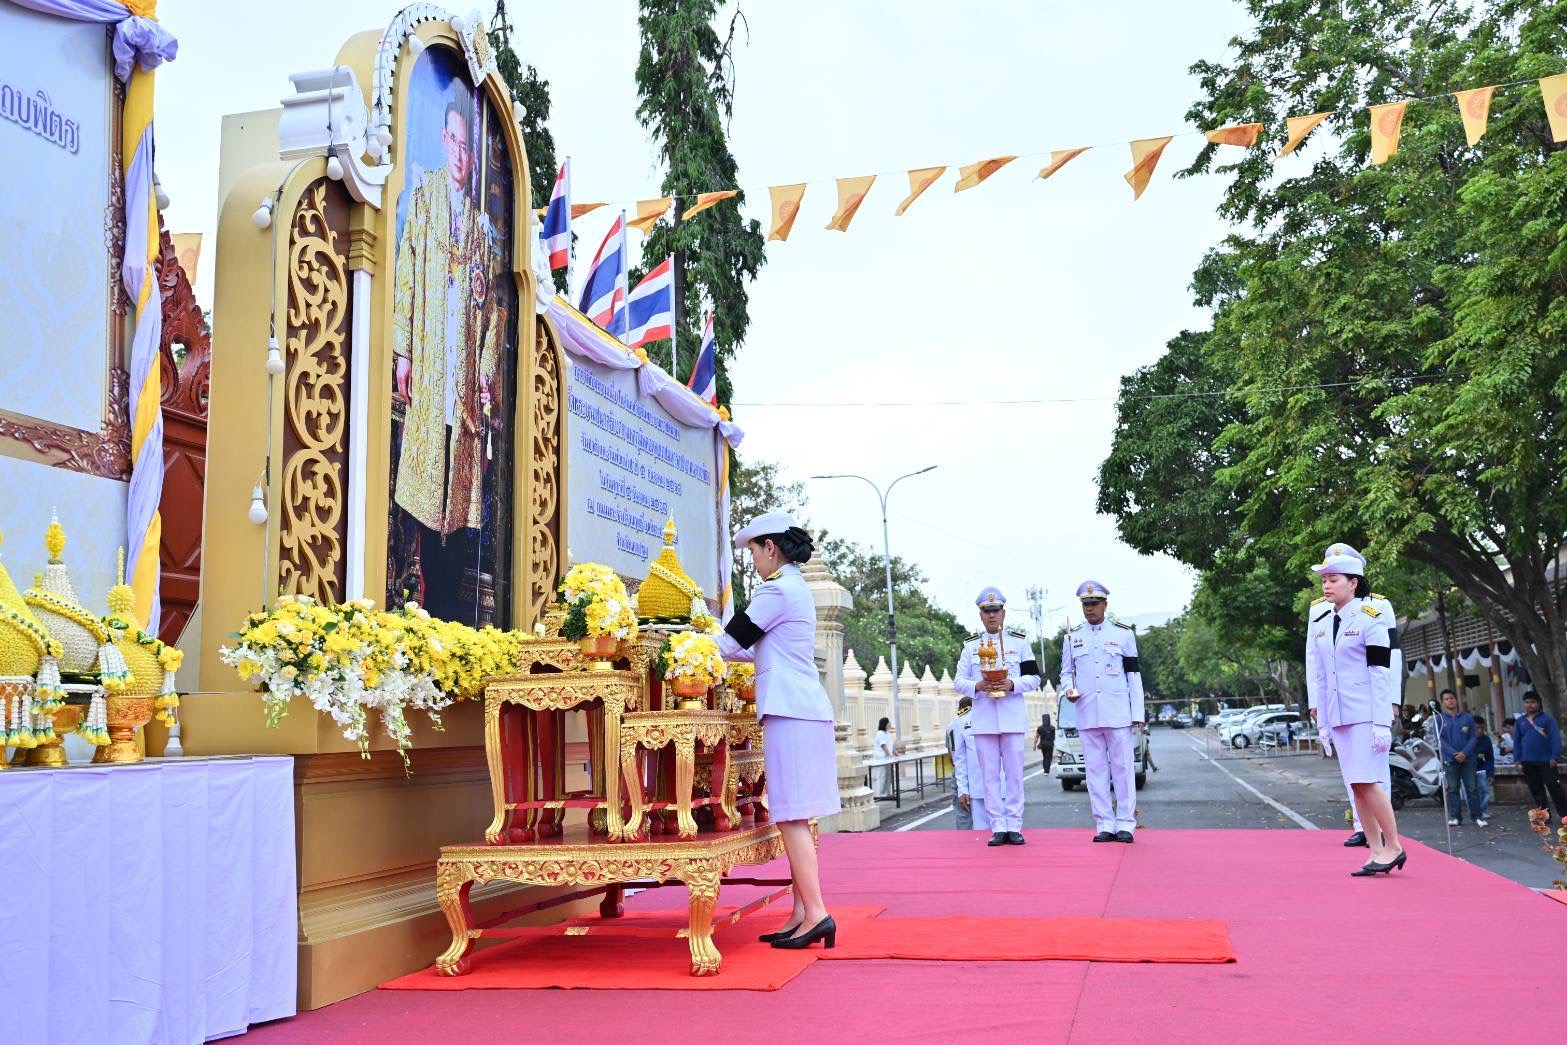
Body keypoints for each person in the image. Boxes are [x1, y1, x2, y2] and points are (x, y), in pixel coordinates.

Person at [392, 93, 506, 620]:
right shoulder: (424, 202)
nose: (460, 155)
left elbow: (492, 314)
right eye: (454, 142)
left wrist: (485, 375)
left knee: (459, 507)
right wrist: (403, 353)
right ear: (443, 140)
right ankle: (411, 603)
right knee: (420, 497)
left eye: (467, 148)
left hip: (463, 395)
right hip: (428, 374)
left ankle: (446, 615)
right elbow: (406, 279)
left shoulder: (482, 230)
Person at [716, 512, 839, 950]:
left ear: (770, 548)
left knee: (790, 815)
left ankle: (817, 913)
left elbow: (730, 643)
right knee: (796, 814)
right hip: (802, 710)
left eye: (754, 551)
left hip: (791, 713)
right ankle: (803, 912)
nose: (753, 561)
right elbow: (759, 651)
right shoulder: (794, 588)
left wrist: (688, 639)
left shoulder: (776, 590)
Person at [1307, 550, 1405, 875]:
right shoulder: (1322, 623)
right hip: (1338, 716)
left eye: (1333, 579)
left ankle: (1394, 846)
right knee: (1356, 785)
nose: (1326, 585)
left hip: (1365, 713)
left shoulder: (1370, 618)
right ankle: (1376, 849)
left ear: (1353, 583)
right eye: (1324, 580)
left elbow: (1380, 672)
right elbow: (1322, 677)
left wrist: (1382, 721)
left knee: (1368, 781)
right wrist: (1323, 724)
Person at [953, 587, 1041, 847]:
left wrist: (1012, 684)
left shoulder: (1019, 642)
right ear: (980, 615)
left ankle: (1014, 825)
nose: (991, 615)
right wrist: (977, 686)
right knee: (989, 777)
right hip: (984, 718)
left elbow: (1034, 678)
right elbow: (958, 681)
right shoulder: (971, 646)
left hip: (1012, 717)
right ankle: (998, 826)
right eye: (986, 611)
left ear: (1003, 612)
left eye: (995, 610)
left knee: (1014, 776)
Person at [1059, 580, 1145, 844]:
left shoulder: (1123, 634)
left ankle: (1126, 823)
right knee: (1095, 772)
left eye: (1094, 603)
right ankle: (1104, 823)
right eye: (1085, 604)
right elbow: (1066, 673)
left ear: (1105, 604)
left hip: (1118, 713)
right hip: (1087, 713)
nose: (1090, 608)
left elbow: (1133, 676)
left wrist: (1138, 713)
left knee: (1123, 769)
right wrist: (1068, 689)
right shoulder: (1072, 637)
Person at [1514, 692, 1567, 823]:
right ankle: (1544, 816)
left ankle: (1565, 815)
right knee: (1536, 789)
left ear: (1538, 703)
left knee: (1554, 787)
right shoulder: (1520, 721)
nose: (1529, 705)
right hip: (1527, 760)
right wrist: (1517, 758)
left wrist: (1555, 756)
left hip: (1546, 760)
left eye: (1532, 702)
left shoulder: (1548, 719)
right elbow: (1517, 741)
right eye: (1527, 702)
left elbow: (1555, 739)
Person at [1435, 689, 1484, 827]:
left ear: (1456, 699)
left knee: (1472, 788)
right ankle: (1455, 817)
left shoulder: (1467, 717)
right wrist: (1454, 753)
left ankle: (1477, 816)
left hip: (1468, 759)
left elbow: (1473, 737)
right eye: (1446, 699)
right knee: (1453, 789)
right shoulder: (1439, 719)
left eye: (1452, 698)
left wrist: (1464, 753)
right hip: (1450, 759)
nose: (1450, 701)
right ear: (1442, 702)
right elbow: (1439, 739)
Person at [946, 696, 991, 832]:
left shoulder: (952, 724)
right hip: (975, 769)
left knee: (963, 813)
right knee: (986, 813)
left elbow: (950, 751)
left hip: (958, 769)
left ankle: (964, 839)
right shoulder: (978, 721)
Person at [1472, 718, 1495, 825]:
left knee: (1485, 790)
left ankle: (1482, 810)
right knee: (1471, 791)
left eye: (1482, 728)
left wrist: (1490, 773)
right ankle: (1475, 811)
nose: (1480, 731)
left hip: (1481, 768)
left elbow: (1490, 758)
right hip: (1468, 768)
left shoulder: (1486, 740)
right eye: (1477, 728)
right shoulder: (1466, 739)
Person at [873, 717, 896, 799]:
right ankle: (881, 794)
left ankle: (887, 793)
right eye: (888, 723)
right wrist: (890, 754)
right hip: (881, 759)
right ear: (885, 724)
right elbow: (883, 745)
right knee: (882, 776)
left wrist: (896, 753)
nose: (889, 724)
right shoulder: (880, 733)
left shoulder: (887, 733)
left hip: (888, 759)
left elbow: (890, 745)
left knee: (889, 776)